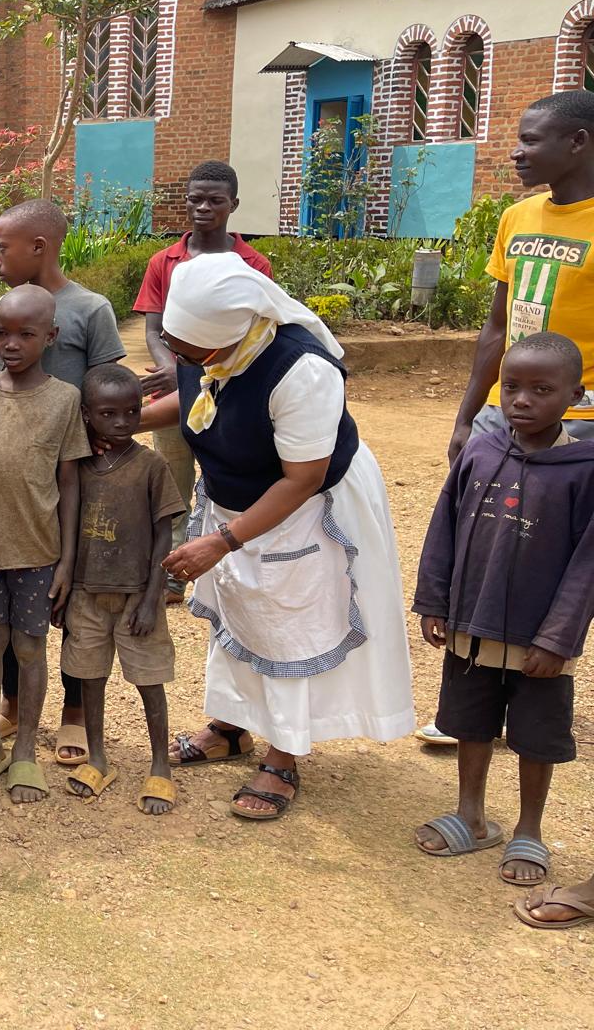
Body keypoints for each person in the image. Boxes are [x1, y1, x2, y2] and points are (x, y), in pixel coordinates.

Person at [142, 253, 413, 820]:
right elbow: (200, 395)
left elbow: (303, 477)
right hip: (239, 499)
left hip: (302, 507)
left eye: (191, 353)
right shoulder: (208, 343)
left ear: (228, 338)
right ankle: (233, 726)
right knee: (243, 612)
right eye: (176, 346)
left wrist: (222, 541)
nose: (181, 358)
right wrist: (126, 418)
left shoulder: (301, 371)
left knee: (289, 624)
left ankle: (283, 755)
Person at [419, 91, 594, 746]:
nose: (515, 151)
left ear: (577, 142)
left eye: (531, 139)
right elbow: (498, 327)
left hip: (582, 424)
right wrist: (469, 414)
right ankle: (469, 705)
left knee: (555, 560)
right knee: (480, 546)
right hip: (501, 414)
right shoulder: (518, 218)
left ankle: (539, 691)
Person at [412, 333, 594, 897]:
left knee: (537, 734)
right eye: (511, 386)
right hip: (472, 623)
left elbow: (588, 565)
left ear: (575, 394)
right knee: (470, 721)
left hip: (540, 639)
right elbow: (444, 524)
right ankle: (471, 815)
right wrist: (434, 601)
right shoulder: (481, 450)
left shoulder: (584, 468)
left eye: (542, 390)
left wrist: (559, 638)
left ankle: (529, 828)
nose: (522, 400)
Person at [0, 198, 125, 764]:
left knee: (67, 597)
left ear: (38, 247)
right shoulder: (9, 312)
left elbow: (110, 382)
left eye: (0, 246)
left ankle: (74, 712)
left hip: (73, 471)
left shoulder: (90, 308)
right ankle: (11, 704)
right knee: (13, 593)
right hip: (19, 479)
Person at [0, 286, 89, 805]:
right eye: (2, 332)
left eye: (26, 334)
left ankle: (25, 749)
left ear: (50, 337)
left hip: (38, 552)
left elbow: (70, 484)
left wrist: (67, 560)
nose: (11, 343)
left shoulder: (64, 400)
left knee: (30, 649)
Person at [136, 162, 273, 607]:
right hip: (172, 394)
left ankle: (226, 567)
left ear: (233, 205)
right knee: (172, 485)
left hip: (231, 396)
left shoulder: (254, 264)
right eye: (195, 198)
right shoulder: (165, 262)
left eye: (214, 200)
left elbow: (257, 332)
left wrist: (196, 373)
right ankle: (173, 573)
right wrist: (180, 372)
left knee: (225, 477)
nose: (203, 207)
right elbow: (155, 329)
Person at [64, 364, 184, 813]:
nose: (121, 422)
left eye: (131, 412)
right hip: (86, 594)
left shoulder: (151, 465)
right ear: (86, 414)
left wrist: (154, 598)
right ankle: (98, 756)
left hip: (137, 596)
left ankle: (159, 767)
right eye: (108, 413)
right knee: (90, 677)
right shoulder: (76, 466)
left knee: (149, 681)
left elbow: (164, 535)